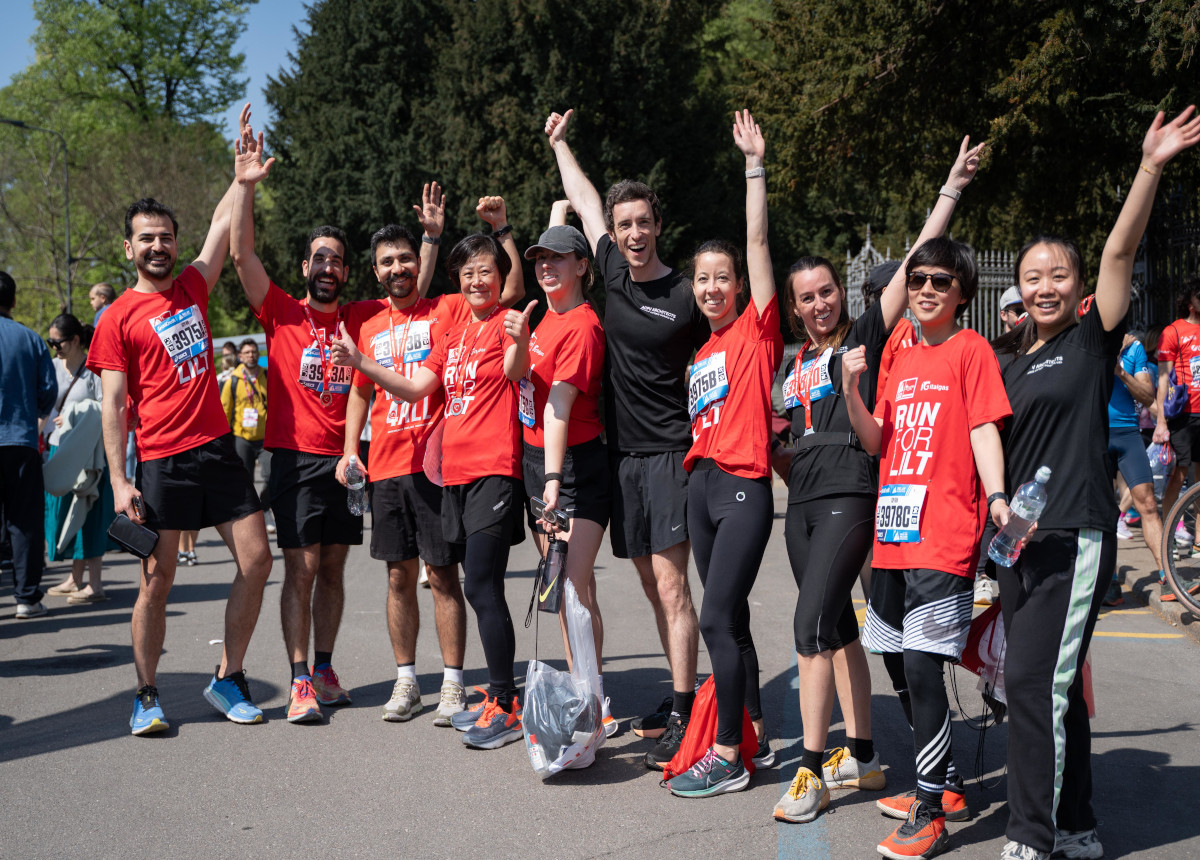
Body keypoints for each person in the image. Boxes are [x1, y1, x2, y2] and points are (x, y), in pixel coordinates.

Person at [995, 105, 1199, 860]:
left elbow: (1121, 253)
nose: (1044, 287)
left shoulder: (1089, 341)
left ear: (1078, 288)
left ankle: (1031, 836)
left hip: (1075, 532)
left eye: (1058, 275)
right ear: (1015, 290)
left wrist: (1149, 167)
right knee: (1047, 684)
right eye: (1031, 278)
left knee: (1031, 686)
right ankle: (1076, 824)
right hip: (1018, 543)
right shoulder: (1010, 361)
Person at [773, 137, 983, 827]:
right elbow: (784, 434)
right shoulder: (797, 358)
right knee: (837, 627)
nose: (820, 303)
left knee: (808, 625)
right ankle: (864, 754)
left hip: (853, 497)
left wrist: (950, 187)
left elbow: (922, 256)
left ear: (844, 293)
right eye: (808, 297)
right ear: (797, 307)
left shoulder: (867, 332)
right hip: (800, 503)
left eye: (828, 291)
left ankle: (810, 769)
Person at [545, 108, 708, 768]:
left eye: (644, 222)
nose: (634, 233)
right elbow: (583, 197)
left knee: (673, 590)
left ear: (659, 226)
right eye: (624, 225)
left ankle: (690, 708)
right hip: (623, 461)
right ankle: (679, 697)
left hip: (672, 454)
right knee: (649, 586)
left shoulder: (686, 293)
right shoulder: (609, 268)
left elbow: (718, 363)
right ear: (612, 234)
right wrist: (560, 144)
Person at [332, 225, 532, 750]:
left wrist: (443, 235)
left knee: (461, 580)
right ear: (374, 272)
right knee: (409, 579)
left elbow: (503, 296)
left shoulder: (450, 313)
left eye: (406, 260)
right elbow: (396, 388)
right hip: (412, 468)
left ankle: (465, 688)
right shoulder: (388, 327)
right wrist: (352, 445)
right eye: (385, 262)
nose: (397, 269)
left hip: (460, 466)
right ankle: (411, 681)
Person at [844, 236, 1010, 859]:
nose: (927, 290)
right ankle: (944, 780)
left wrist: (996, 497)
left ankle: (931, 807)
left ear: (963, 293)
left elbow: (984, 427)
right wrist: (854, 390)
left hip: (945, 531)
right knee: (899, 661)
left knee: (921, 663)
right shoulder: (900, 355)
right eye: (918, 280)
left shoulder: (971, 350)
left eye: (941, 281)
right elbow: (876, 441)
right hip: (895, 533)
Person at [88, 181, 274, 736]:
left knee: (258, 560)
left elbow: (222, 223)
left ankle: (228, 677)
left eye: (166, 237)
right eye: (147, 238)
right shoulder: (117, 316)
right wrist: (121, 482)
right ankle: (146, 695)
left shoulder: (193, 286)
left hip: (217, 451)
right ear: (129, 248)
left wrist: (241, 180)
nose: (157, 246)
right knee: (157, 581)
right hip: (162, 462)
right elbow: (114, 402)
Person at [229, 107, 389, 723]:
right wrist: (245, 186)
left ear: (346, 272)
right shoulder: (281, 312)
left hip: (348, 459)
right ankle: (297, 678)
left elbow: (415, 292)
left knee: (336, 568)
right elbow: (242, 256)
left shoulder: (359, 316)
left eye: (337, 261)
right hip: (294, 459)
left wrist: (428, 241)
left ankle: (323, 666)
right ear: (305, 268)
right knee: (301, 568)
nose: (328, 268)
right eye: (319, 259)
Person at [663, 110, 782, 798]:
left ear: (738, 285)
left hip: (742, 486)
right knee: (728, 619)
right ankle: (753, 731)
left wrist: (753, 167)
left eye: (722, 277)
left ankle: (731, 753)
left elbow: (759, 239)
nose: (711, 287)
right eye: (702, 279)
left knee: (712, 616)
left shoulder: (755, 334)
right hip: (700, 484)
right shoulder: (702, 351)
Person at [520, 220, 612, 733]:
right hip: (539, 464)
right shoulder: (545, 319)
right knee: (558, 588)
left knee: (576, 589)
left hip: (573, 467)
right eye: (540, 259)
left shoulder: (581, 325)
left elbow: (558, 404)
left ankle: (596, 702)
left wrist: (553, 479)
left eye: (558, 258)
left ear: (583, 266)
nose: (546, 266)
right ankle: (583, 693)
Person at [42, 313, 114, 604]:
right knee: (66, 515)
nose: (53, 348)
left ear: (74, 341)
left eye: (57, 342)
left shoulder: (95, 369)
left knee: (90, 513)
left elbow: (107, 407)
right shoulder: (54, 369)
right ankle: (75, 578)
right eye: (50, 342)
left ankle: (95, 585)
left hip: (89, 453)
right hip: (60, 450)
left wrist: (76, 414)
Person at [0, 271, 57, 619]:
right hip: (21, 440)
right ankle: (26, 597)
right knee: (25, 522)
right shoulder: (30, 338)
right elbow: (48, 390)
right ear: (14, 300)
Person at [1105, 332, 1165, 603]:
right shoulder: (1082, 340)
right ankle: (1109, 579)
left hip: (1128, 433)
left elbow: (1147, 394)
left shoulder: (1135, 348)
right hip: (1094, 435)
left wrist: (1121, 371)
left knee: (1149, 504)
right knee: (1102, 512)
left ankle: (1167, 576)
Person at [221, 338, 272, 532]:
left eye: (254, 352)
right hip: (242, 437)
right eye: (247, 352)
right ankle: (252, 518)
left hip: (266, 437)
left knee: (272, 476)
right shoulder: (232, 380)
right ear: (240, 356)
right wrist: (225, 442)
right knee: (245, 480)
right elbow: (225, 410)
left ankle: (265, 508)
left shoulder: (267, 376)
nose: (251, 355)